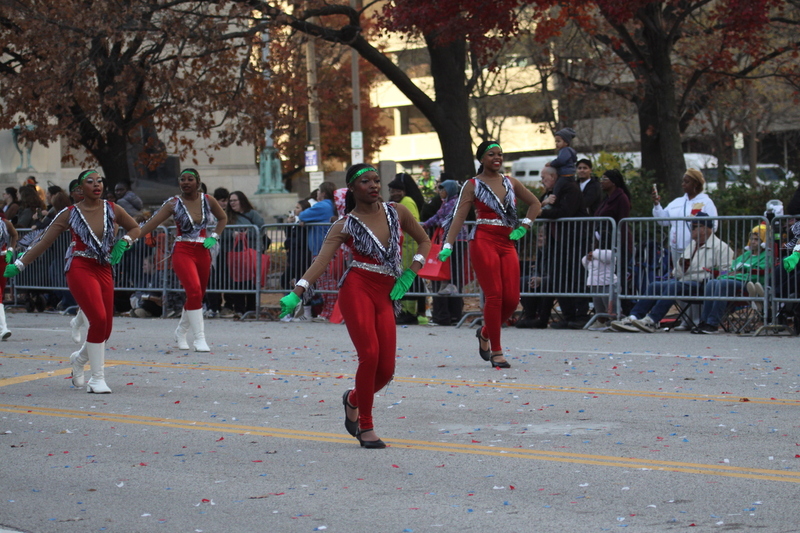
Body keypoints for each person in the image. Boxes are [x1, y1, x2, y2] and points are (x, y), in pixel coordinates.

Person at [278, 163, 431, 448]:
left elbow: (424, 240)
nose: (374, 185)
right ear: (353, 188)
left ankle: (352, 399)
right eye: (365, 181)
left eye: (376, 180)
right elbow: (321, 261)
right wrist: (297, 292)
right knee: (369, 355)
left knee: (386, 370)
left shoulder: (397, 211)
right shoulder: (345, 223)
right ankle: (366, 427)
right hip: (357, 288)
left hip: (387, 293)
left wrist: (411, 273)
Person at [4, 169, 141, 393]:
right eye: (90, 182)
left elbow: (136, 227)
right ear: (79, 189)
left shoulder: (112, 208)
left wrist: (124, 241)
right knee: (97, 319)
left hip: (104, 268)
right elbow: (43, 239)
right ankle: (97, 379)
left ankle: (78, 360)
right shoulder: (70, 213)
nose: (96, 185)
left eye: (99, 181)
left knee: (105, 330)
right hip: (79, 266)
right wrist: (20, 263)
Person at [441, 141, 541, 368]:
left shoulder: (511, 182)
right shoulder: (473, 184)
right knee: (494, 296)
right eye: (491, 154)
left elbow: (535, 204)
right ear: (481, 159)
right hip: (483, 239)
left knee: (513, 299)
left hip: (507, 242)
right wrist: (448, 244)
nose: (497, 158)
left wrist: (524, 226)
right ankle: (497, 351)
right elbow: (458, 217)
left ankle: (485, 332)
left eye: (500, 154)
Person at [139, 168, 227, 351]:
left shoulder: (207, 200)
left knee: (198, 295)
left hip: (203, 250)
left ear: (197, 182)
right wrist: (131, 237)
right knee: (193, 290)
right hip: (183, 250)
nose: (186, 182)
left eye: (190, 179)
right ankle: (199, 338)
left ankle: (180, 331)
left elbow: (223, 218)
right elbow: (152, 222)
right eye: (182, 179)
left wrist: (215, 236)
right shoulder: (173, 203)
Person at [610, 213, 733, 333]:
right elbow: (676, 272)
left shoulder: (722, 248)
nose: (691, 229)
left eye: (694, 227)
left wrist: (704, 274)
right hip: (684, 281)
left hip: (702, 284)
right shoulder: (692, 245)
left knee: (674, 286)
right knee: (655, 285)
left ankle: (652, 320)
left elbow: (724, 273)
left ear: (705, 228)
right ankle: (634, 317)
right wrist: (681, 267)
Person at [535, 164, 590, 329]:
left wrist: (543, 212)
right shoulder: (551, 193)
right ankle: (567, 315)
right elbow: (535, 207)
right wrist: (543, 204)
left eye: (544, 178)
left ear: (553, 177)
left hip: (574, 239)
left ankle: (580, 316)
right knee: (559, 278)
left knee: (575, 278)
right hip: (558, 241)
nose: (542, 181)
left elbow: (564, 212)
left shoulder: (570, 189)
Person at [693, 224, 768, 334]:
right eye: (751, 239)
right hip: (733, 279)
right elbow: (732, 268)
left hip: (749, 282)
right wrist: (718, 271)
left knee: (723, 283)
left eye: (757, 239)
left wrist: (741, 271)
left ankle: (713, 323)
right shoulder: (746, 254)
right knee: (711, 283)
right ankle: (704, 321)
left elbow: (762, 270)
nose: (753, 242)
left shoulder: (767, 255)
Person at [516, 167, 558, 329]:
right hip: (541, 274)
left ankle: (543, 317)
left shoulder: (553, 248)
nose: (542, 180)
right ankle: (530, 314)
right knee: (523, 281)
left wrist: (541, 278)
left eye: (544, 177)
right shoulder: (540, 250)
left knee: (545, 283)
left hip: (552, 277)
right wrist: (535, 275)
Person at [652, 168, 718, 266]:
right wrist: (657, 205)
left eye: (686, 182)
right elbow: (663, 221)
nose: (683, 184)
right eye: (683, 181)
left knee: (694, 276)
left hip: (696, 248)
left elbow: (714, 226)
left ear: (695, 183)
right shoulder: (677, 202)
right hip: (676, 248)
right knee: (678, 276)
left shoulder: (706, 202)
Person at [422, 179, 465, 326]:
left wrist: (427, 225)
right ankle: (453, 314)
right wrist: (426, 225)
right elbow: (438, 217)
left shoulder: (453, 203)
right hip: (452, 242)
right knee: (450, 279)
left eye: (443, 189)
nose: (440, 192)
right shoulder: (447, 202)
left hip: (454, 242)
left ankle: (447, 315)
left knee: (448, 278)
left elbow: (443, 219)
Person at [594, 169, 633, 315]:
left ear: (614, 182)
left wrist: (618, 243)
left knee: (618, 279)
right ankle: (608, 312)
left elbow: (623, 221)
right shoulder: (606, 199)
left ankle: (626, 311)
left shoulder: (621, 198)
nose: (601, 182)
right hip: (605, 244)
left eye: (604, 179)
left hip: (619, 244)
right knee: (605, 278)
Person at [389, 173, 426, 324]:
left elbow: (411, 224)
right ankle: (405, 310)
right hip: (403, 248)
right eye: (392, 191)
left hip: (409, 248)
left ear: (404, 191)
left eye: (398, 191)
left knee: (410, 280)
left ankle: (411, 312)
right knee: (406, 280)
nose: (394, 194)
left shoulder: (407, 202)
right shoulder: (402, 202)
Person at [297, 182, 338, 321]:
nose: (317, 194)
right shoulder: (331, 205)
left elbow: (303, 215)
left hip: (322, 249)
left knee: (326, 283)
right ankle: (328, 310)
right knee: (327, 282)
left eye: (319, 191)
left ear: (323, 193)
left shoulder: (322, 205)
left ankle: (329, 311)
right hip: (326, 248)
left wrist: (303, 219)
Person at [581, 231, 616, 330]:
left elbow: (607, 257)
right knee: (598, 305)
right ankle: (600, 321)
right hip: (594, 284)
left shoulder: (608, 252)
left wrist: (594, 253)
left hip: (608, 283)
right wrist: (588, 258)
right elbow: (585, 263)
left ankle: (615, 321)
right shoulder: (593, 256)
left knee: (610, 305)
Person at [0, 216, 18, 339]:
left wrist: (10, 250)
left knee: (1, 291)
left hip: (2, 259)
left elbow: (14, 235)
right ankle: (3, 327)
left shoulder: (5, 223)